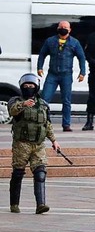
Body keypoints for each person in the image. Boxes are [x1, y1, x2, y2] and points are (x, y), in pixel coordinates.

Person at [8, 73, 61, 214]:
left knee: (40, 173)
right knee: (18, 173)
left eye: (31, 86)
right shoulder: (15, 101)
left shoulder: (43, 105)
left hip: (38, 145)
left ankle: (41, 204)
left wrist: (54, 140)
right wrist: (23, 105)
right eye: (26, 86)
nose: (29, 88)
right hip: (22, 144)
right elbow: (12, 111)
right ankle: (14, 204)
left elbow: (47, 124)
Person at [37, 20, 86, 132]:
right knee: (44, 99)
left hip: (66, 75)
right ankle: (42, 122)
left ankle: (66, 124)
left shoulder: (74, 42)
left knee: (66, 101)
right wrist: (39, 67)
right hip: (52, 74)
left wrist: (82, 72)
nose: (63, 28)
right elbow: (42, 54)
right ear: (58, 28)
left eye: (65, 27)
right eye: (61, 26)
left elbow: (81, 57)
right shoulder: (50, 41)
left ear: (69, 30)